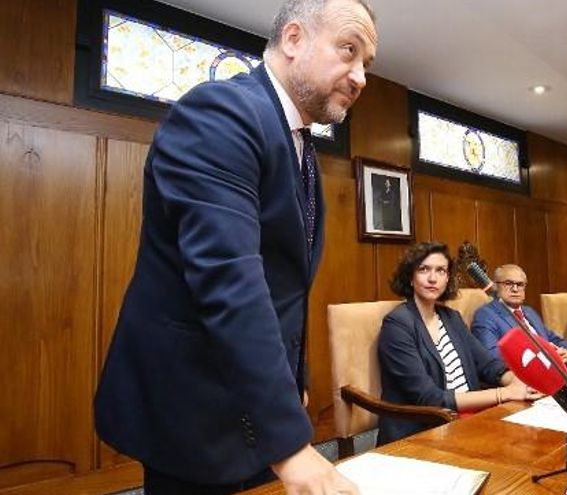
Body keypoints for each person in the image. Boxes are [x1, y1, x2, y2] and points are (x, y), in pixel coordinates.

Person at [93, 1, 378, 493]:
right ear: (293, 40)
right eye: (348, 51)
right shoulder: (221, 113)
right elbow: (231, 281)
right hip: (193, 409)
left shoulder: (301, 141)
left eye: (366, 65)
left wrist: (294, 380)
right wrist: (290, 445)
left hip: (255, 403)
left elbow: (284, 285)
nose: (360, 77)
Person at [377, 242, 541, 444]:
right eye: (424, 269)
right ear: (411, 277)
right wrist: (504, 393)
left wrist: (516, 382)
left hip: (469, 419)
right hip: (426, 429)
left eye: (440, 270)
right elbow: (430, 398)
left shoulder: (451, 317)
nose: (432, 278)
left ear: (447, 278)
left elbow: (488, 365)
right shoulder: (397, 324)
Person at [471, 264, 567, 364]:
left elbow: (552, 338)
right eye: (508, 283)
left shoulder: (529, 312)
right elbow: (492, 356)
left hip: (553, 374)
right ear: (496, 286)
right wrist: (541, 355)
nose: (515, 289)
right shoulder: (486, 315)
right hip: (520, 379)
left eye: (520, 284)